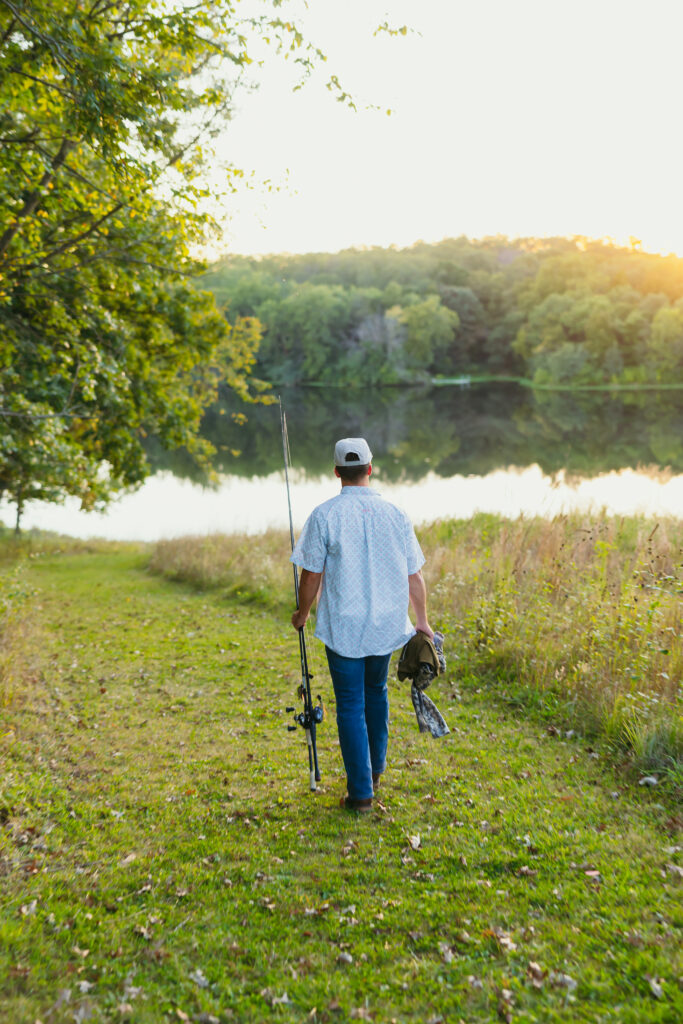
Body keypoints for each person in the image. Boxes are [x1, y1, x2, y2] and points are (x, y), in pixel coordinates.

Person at [290, 436, 434, 812]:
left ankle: (361, 793)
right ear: (370, 469)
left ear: (337, 472)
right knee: (376, 694)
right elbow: (414, 576)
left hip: (344, 628)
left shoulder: (325, 515)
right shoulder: (396, 514)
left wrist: (303, 613)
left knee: (351, 703)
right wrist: (422, 623)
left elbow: (310, 577)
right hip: (386, 626)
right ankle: (372, 775)